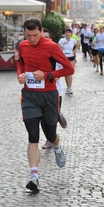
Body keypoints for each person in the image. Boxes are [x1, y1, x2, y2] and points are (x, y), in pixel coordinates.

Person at [17, 18, 74, 191]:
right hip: (29, 96)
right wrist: (20, 74)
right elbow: (20, 63)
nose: (32, 39)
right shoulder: (23, 45)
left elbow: (69, 69)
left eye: (35, 35)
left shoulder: (51, 47)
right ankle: (34, 176)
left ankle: (57, 146)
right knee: (32, 135)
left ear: (41, 31)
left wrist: (48, 75)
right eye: (28, 35)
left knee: (50, 133)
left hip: (49, 95)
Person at [58, 28, 79, 95]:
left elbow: (77, 45)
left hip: (71, 57)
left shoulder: (73, 40)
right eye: (66, 33)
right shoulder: (62, 40)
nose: (67, 34)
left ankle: (69, 88)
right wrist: (62, 45)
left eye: (68, 33)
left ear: (71, 34)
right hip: (63, 57)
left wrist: (75, 50)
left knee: (69, 73)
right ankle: (57, 86)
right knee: (61, 72)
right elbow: (57, 47)